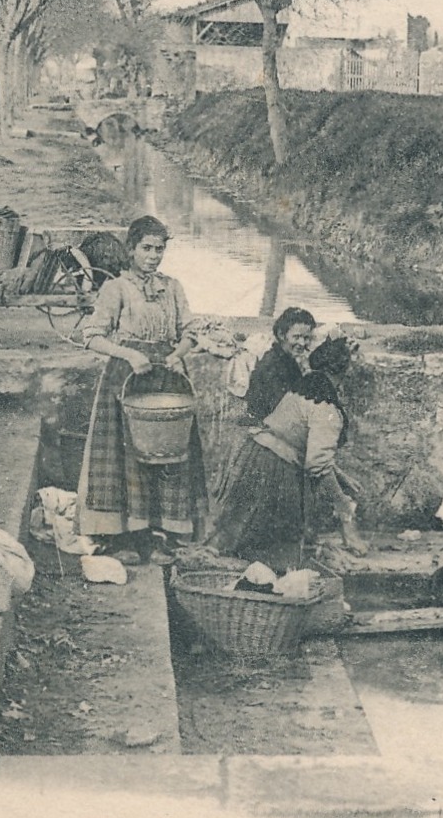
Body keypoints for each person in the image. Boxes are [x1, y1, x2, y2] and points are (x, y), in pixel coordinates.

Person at [75, 215, 208, 564]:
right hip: (127, 377)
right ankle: (124, 539)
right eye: (146, 248)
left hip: (165, 377)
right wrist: (130, 354)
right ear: (131, 249)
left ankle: (160, 537)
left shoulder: (173, 287)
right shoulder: (116, 288)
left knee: (168, 455)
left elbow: (190, 330)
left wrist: (178, 355)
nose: (153, 256)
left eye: (159, 249)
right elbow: (91, 337)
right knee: (126, 457)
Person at [211, 335, 369, 567]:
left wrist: (341, 476)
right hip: (275, 470)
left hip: (254, 455)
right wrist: (343, 507)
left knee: (237, 533)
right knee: (273, 553)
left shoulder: (301, 390)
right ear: (342, 373)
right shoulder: (327, 411)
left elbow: (301, 442)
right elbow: (317, 465)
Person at [244, 306, 316, 422]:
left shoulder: (287, 360)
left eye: (306, 338)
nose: (302, 343)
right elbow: (281, 410)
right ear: (282, 335)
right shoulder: (272, 366)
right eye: (296, 337)